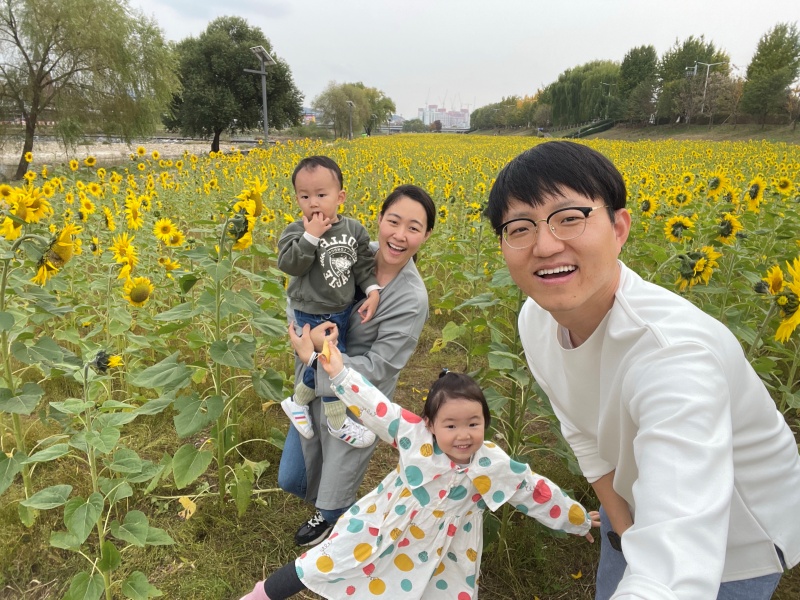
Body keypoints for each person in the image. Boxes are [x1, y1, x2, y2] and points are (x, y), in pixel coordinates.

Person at [485, 140, 800, 599]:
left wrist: (644, 551)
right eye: (520, 227)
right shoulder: (536, 319)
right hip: (628, 499)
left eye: (569, 218)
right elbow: (581, 429)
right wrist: (621, 526)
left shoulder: (673, 355)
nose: (545, 245)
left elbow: (673, 564)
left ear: (619, 227)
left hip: (737, 538)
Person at [240, 340, 600, 600]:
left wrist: (578, 519)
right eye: (451, 425)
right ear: (430, 424)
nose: (463, 435)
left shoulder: (493, 463)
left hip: (442, 552)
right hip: (380, 526)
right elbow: (373, 406)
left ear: (485, 424)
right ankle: (260, 596)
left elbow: (534, 492)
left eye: (473, 424)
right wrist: (338, 371)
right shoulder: (413, 435)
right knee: (322, 563)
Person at [278, 184, 436, 547]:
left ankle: (334, 520)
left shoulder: (411, 298)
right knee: (292, 477)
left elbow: (381, 366)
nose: (399, 235)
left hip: (358, 398)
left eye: (413, 228)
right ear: (379, 220)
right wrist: (303, 334)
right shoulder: (353, 250)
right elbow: (304, 292)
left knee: (337, 478)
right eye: (393, 221)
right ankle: (325, 504)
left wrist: (319, 352)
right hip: (311, 382)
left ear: (426, 235)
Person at [278, 156, 380, 449]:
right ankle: (336, 421)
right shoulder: (296, 232)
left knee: (321, 363)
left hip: (341, 310)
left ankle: (299, 402)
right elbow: (290, 265)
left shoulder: (354, 230)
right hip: (309, 310)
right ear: (297, 198)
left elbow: (361, 265)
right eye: (305, 196)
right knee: (332, 363)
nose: (313, 203)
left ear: (340, 197)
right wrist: (311, 237)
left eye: (321, 195)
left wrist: (372, 289)